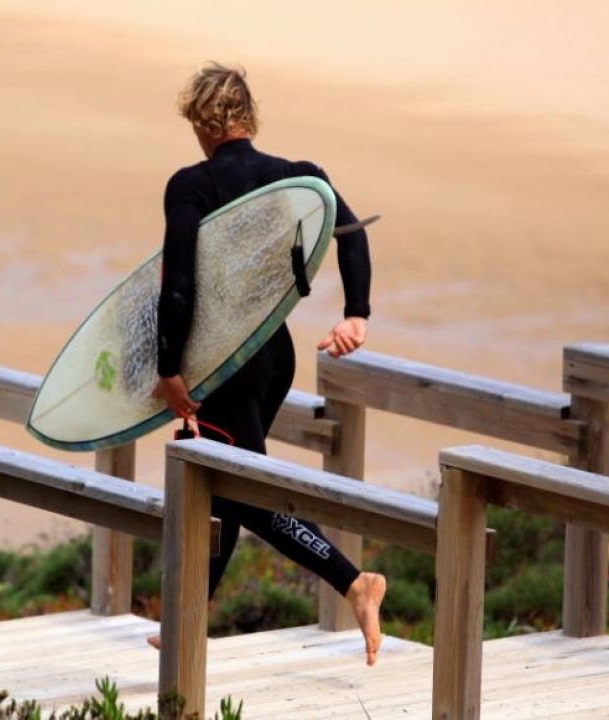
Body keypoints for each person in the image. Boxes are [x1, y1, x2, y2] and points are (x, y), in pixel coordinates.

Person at [149, 63, 386, 666]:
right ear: (248, 117)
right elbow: (352, 233)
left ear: (204, 122)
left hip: (220, 360)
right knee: (223, 477)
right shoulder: (297, 176)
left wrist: (169, 368)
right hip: (273, 353)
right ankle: (188, 613)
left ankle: (355, 582)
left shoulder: (191, 185)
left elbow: (177, 286)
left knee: (243, 488)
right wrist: (355, 312)